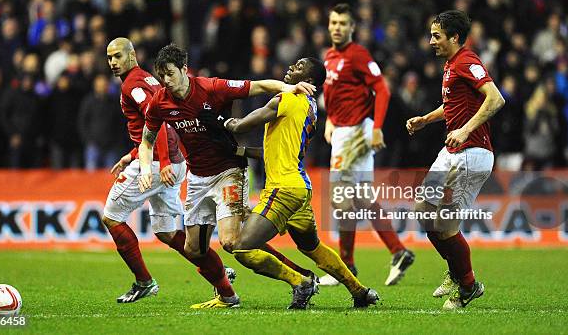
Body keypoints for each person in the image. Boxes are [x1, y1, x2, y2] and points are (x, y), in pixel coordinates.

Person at [138, 43, 317, 309]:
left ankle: (300, 279)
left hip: (228, 172)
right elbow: (146, 141)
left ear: (185, 70)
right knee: (193, 250)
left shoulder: (211, 87)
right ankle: (227, 296)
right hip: (197, 178)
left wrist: (286, 87)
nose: (166, 81)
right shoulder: (159, 102)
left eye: (171, 74)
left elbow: (255, 86)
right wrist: (144, 168)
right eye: (161, 75)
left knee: (232, 242)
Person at [210, 57, 380, 309]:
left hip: (284, 189)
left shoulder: (286, 99)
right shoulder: (308, 108)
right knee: (313, 247)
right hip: (300, 187)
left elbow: (242, 125)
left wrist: (221, 121)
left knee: (243, 248)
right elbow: (275, 151)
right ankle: (359, 291)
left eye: (299, 67)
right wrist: (240, 152)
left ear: (309, 81)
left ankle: (300, 282)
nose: (291, 67)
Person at [102, 38, 238, 305]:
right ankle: (222, 279)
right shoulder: (147, 80)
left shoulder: (133, 85)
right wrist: (132, 155)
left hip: (157, 164)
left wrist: (160, 161)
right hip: (171, 162)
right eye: (109, 58)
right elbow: (154, 124)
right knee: (166, 232)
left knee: (112, 217)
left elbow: (159, 122)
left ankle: (143, 281)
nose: (113, 63)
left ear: (132, 55)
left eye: (118, 56)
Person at [406, 10, 505, 309]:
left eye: (437, 36)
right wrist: (427, 119)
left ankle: (469, 286)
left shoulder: (467, 61)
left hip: (471, 153)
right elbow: (453, 105)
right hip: (452, 152)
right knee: (424, 209)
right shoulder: (451, 65)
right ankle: (456, 271)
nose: (431, 41)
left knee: (445, 224)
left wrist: (464, 130)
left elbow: (496, 98)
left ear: (455, 38)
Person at [321, 3, 414, 286]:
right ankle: (396, 251)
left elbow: (382, 89)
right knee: (360, 197)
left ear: (352, 28)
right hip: (342, 130)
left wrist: (376, 128)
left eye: (342, 23)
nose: (337, 27)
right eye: (334, 22)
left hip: (355, 135)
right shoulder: (329, 57)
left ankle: (347, 265)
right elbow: (335, 94)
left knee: (341, 200)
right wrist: (330, 119)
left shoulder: (358, 54)